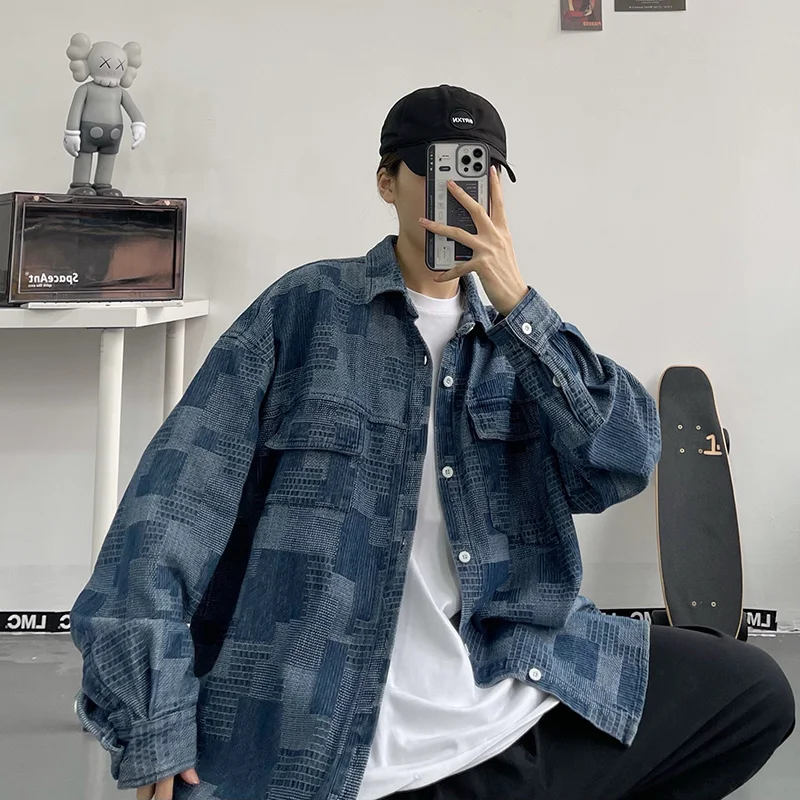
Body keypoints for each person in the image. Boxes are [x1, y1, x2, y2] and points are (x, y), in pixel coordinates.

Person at [70, 85, 794, 800]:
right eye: (438, 170)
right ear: (387, 183)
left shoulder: (522, 343)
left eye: (478, 173)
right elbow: (166, 515)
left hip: (507, 689)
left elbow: (625, 459)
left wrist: (519, 306)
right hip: (321, 723)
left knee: (752, 692)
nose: (460, 194)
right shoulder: (304, 310)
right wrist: (156, 721)